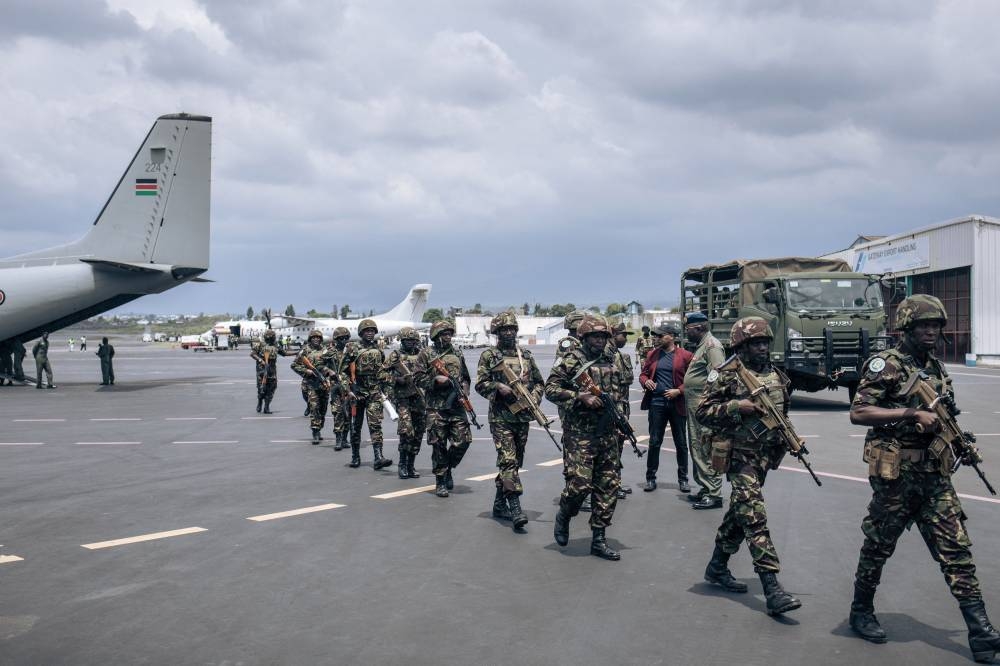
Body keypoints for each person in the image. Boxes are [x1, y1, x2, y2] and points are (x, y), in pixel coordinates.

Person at [847, 295, 1000, 661]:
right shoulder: (887, 365)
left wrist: (956, 440)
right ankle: (861, 612)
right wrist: (910, 414)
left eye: (936, 325)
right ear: (907, 327)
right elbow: (859, 412)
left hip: (934, 477)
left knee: (956, 552)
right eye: (923, 325)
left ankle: (982, 635)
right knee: (878, 547)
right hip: (896, 477)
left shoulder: (935, 367)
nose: (931, 330)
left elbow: (944, 415)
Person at [697, 317, 801, 616]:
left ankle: (717, 567)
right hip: (739, 457)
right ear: (741, 346)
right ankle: (772, 588)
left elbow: (781, 413)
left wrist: (790, 441)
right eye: (755, 343)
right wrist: (734, 407)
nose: (762, 348)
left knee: (739, 516)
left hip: (763, 457)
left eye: (765, 343)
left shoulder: (776, 375)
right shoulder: (726, 375)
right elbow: (702, 411)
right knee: (754, 517)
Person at [547, 315, 624, 561]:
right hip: (580, 434)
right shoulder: (571, 360)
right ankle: (565, 514)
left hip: (607, 433)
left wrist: (620, 421)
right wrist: (578, 397)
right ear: (584, 337)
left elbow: (617, 393)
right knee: (580, 484)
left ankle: (599, 539)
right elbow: (550, 389)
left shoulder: (611, 359)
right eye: (595, 336)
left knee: (608, 486)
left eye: (603, 336)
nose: (600, 341)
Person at [476, 312, 545, 531]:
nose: (508, 333)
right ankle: (515, 508)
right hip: (500, 418)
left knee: (516, 462)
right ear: (496, 333)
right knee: (508, 461)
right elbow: (480, 384)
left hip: (522, 417)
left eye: (512, 329)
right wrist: (498, 387)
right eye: (504, 330)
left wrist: (533, 398)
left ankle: (499, 504)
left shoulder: (525, 355)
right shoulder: (489, 356)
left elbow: (539, 383)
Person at [415, 320, 474, 498]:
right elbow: (417, 378)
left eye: (449, 333)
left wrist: (464, 390)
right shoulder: (426, 354)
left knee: (463, 441)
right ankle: (440, 480)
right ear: (435, 335)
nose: (447, 337)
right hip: (435, 407)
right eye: (443, 334)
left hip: (456, 405)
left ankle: (447, 467)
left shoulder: (457, 352)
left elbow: (465, 377)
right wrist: (435, 381)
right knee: (438, 445)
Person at [638, 323, 693, 492]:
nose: (656, 338)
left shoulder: (686, 355)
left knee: (681, 443)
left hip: (677, 403)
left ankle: (683, 479)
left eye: (660, 335)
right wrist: (645, 380)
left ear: (671, 336)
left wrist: (679, 391)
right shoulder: (652, 354)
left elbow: (694, 380)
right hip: (657, 403)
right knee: (654, 442)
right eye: (656, 335)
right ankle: (650, 478)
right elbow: (643, 373)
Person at [683, 312, 727, 509]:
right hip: (695, 404)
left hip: (703, 404)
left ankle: (714, 493)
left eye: (689, 329)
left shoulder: (712, 346)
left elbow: (718, 376)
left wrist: (709, 404)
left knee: (706, 446)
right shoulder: (702, 345)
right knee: (697, 445)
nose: (686, 332)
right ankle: (705, 487)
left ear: (699, 328)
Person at [341, 319, 393, 471]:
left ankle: (378, 457)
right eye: (367, 331)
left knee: (375, 425)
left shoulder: (378, 350)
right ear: (361, 333)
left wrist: (387, 390)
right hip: (357, 394)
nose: (370, 333)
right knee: (356, 427)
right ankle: (355, 456)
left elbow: (383, 372)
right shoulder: (352, 348)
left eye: (372, 331)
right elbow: (342, 372)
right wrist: (348, 390)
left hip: (374, 394)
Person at [386, 327, 427, 479]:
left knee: (418, 433)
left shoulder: (423, 355)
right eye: (408, 340)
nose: (411, 343)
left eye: (413, 340)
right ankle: (402, 464)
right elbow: (382, 373)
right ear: (402, 341)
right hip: (403, 399)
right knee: (406, 431)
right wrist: (397, 379)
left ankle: (411, 464)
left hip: (420, 399)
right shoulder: (396, 355)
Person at [290, 330, 337, 444]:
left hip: (324, 384)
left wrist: (329, 372)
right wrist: (306, 371)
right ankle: (315, 431)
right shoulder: (305, 351)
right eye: (314, 337)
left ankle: (319, 427)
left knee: (323, 409)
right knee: (314, 407)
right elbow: (294, 365)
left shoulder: (325, 350)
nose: (316, 339)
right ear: (310, 339)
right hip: (311, 384)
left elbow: (332, 364)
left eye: (318, 337)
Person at [609, 322, 635, 499]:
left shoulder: (619, 354)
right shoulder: (608, 355)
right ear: (613, 335)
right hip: (614, 408)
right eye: (622, 335)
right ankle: (610, 485)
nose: (625, 339)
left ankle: (615, 483)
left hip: (622, 407)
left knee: (618, 445)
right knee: (611, 448)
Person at [250, 329, 292, 413]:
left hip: (272, 370)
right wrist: (260, 360)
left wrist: (296, 353)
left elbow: (284, 353)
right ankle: (260, 402)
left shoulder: (275, 345)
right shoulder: (260, 344)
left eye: (272, 337)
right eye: (270, 337)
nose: (272, 339)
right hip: (262, 370)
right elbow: (252, 354)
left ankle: (266, 406)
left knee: (272, 388)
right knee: (261, 389)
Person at [328, 327, 353, 451]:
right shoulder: (330, 352)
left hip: (348, 387)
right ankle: (338, 439)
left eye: (345, 338)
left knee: (347, 413)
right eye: (340, 338)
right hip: (335, 387)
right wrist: (329, 371)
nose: (343, 340)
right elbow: (319, 365)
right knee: (337, 412)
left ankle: (344, 439)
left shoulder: (351, 351)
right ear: (336, 339)